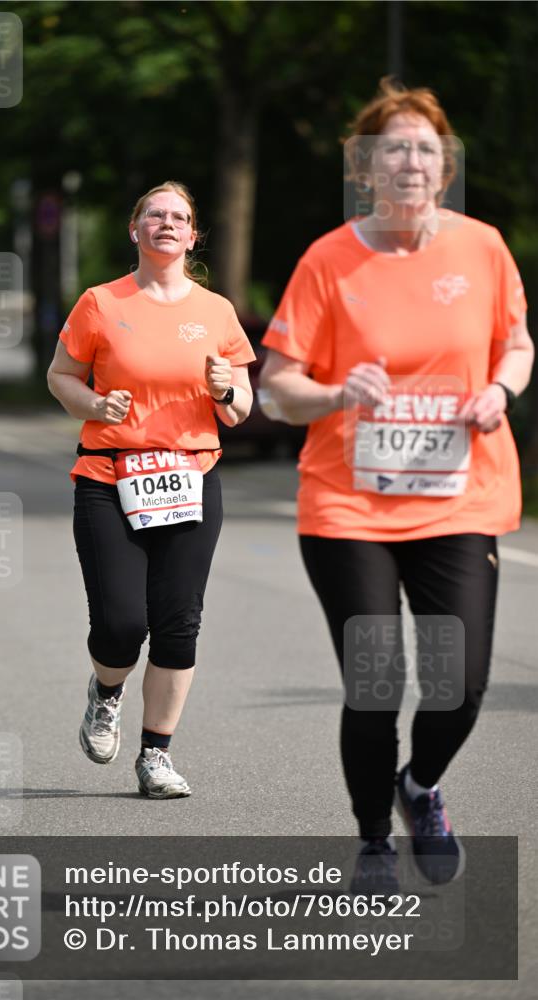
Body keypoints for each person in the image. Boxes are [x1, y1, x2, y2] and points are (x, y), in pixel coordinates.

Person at [259, 79, 534, 890]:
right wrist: (339, 392)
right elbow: (278, 385)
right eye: (393, 148)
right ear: (366, 166)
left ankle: (419, 788)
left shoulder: (481, 246)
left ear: (442, 166)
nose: (410, 160)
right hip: (348, 502)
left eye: (424, 147)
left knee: (460, 684)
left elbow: (516, 344)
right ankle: (374, 838)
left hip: (459, 495)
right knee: (375, 682)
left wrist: (501, 390)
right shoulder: (328, 259)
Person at [47, 181, 255, 798]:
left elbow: (241, 407)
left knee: (177, 622)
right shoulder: (99, 302)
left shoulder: (215, 312)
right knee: (119, 623)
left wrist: (224, 389)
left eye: (180, 217)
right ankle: (105, 691)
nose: (168, 223)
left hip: (190, 479)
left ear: (193, 237)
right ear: (134, 230)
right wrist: (94, 403)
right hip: (110, 477)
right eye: (156, 215)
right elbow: (61, 376)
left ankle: (156, 756)